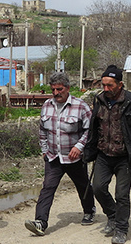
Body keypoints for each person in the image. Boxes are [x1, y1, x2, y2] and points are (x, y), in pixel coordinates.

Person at [83, 65, 131, 244]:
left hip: (125, 156)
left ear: (120, 84)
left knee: (121, 195)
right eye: (103, 85)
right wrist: (89, 149)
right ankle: (112, 215)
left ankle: (121, 229)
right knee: (98, 188)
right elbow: (94, 127)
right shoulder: (99, 100)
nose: (106, 89)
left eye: (110, 85)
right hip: (103, 154)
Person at [24, 72, 96, 236]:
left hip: (74, 158)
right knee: (47, 188)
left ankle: (89, 210)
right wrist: (44, 150)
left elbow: (89, 131)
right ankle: (40, 222)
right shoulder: (47, 106)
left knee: (83, 185)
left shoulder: (80, 106)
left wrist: (79, 146)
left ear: (68, 88)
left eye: (60, 89)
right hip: (53, 156)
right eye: (53, 90)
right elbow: (42, 130)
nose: (56, 93)